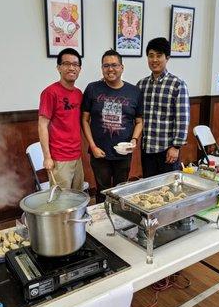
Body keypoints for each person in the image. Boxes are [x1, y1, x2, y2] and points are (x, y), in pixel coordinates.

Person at [82, 49, 143, 203]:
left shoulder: (134, 92)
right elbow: (84, 120)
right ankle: (101, 223)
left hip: (124, 152)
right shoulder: (92, 89)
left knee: (121, 191)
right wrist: (93, 146)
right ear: (102, 68)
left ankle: (118, 221)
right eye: (106, 66)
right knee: (102, 191)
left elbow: (139, 121)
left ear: (122, 67)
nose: (110, 69)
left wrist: (134, 140)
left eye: (114, 65)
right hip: (99, 152)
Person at [137, 37, 190, 178]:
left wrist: (176, 147)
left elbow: (182, 119)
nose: (154, 60)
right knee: (148, 188)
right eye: (151, 56)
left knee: (168, 190)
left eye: (159, 55)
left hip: (167, 150)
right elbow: (137, 116)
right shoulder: (141, 85)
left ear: (167, 58)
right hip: (147, 149)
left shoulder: (177, 85)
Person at [38, 47, 84, 190]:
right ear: (58, 67)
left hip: (77, 156)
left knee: (77, 198)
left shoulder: (78, 93)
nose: (71, 68)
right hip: (59, 158)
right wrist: (47, 157)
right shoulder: (50, 93)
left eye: (75, 64)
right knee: (62, 203)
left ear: (79, 69)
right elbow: (42, 125)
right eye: (66, 64)